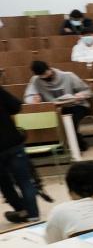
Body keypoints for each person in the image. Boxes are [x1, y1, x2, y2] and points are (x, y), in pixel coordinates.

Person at [25, 60, 91, 151]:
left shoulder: (68, 75)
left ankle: (77, 144)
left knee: (71, 120)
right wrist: (33, 100)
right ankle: (56, 145)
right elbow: (29, 95)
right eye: (42, 77)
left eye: (46, 74)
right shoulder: (35, 80)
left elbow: (87, 91)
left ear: (49, 69)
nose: (45, 78)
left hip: (75, 105)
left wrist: (81, 95)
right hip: (54, 109)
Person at [0, 87, 41, 224]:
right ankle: (34, 216)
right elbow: (16, 107)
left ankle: (21, 210)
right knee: (24, 181)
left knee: (4, 184)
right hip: (13, 143)